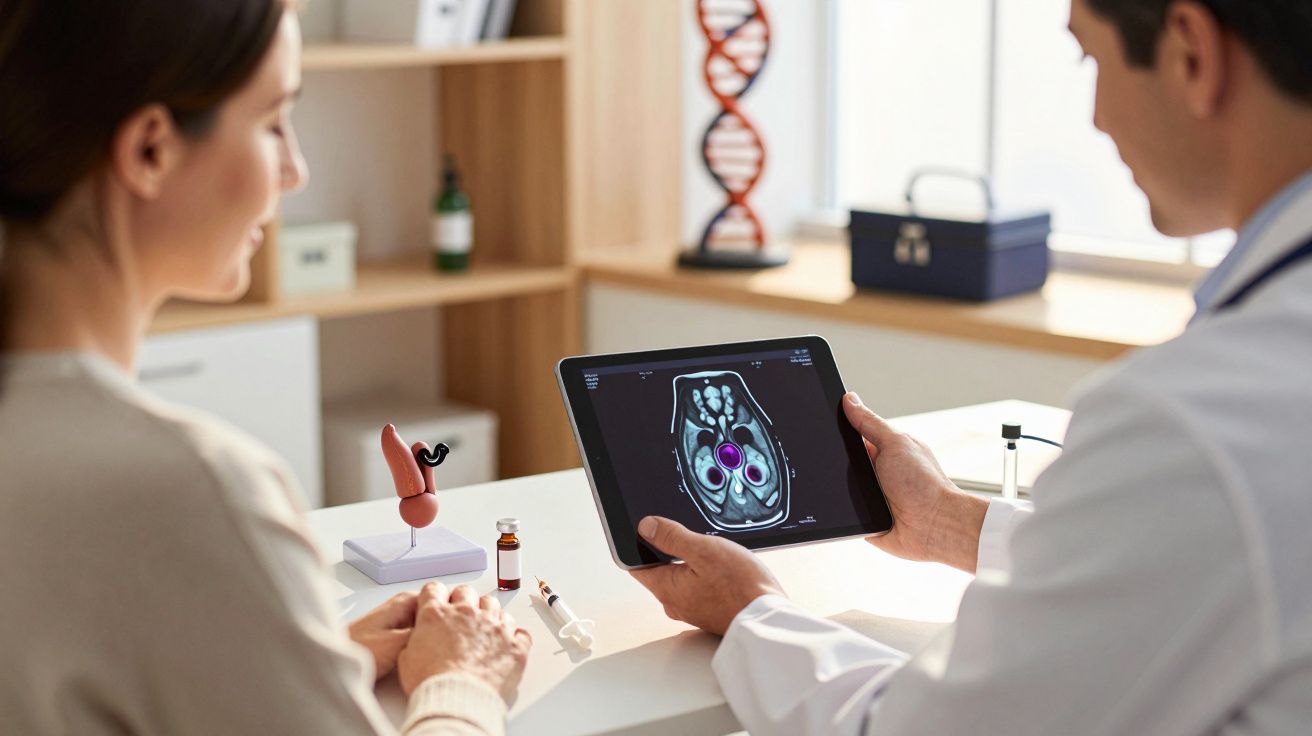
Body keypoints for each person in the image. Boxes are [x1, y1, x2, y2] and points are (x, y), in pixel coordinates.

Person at [632, 0, 1312, 733]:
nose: (1096, 118)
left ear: (1190, 55)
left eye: (1092, 59)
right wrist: (950, 522)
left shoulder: (1191, 424)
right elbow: (1190, 560)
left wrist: (752, 614)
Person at [0, 2, 529, 734]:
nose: (295, 171)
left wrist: (282, 661)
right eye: (273, 121)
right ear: (150, 149)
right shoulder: (192, 489)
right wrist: (462, 682)